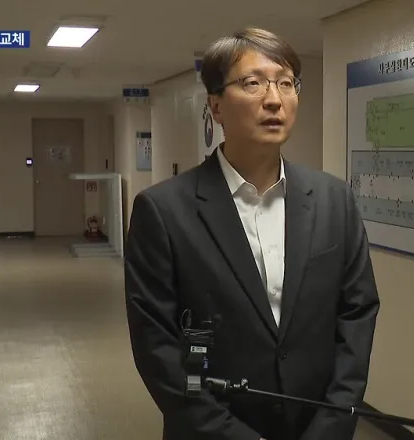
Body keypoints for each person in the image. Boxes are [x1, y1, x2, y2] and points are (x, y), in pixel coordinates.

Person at [124, 27, 380, 440]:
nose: (274, 99)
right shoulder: (164, 211)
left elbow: (357, 314)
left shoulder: (334, 200)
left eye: (286, 83)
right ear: (216, 106)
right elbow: (159, 348)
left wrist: (330, 428)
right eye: (253, 83)